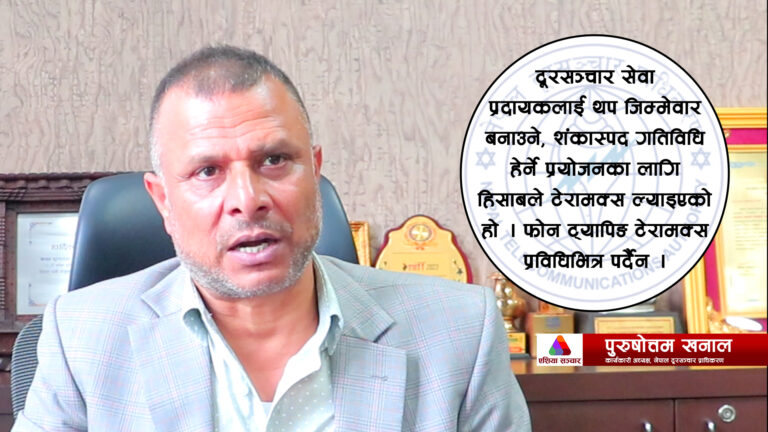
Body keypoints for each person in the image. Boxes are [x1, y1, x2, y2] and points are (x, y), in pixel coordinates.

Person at [14, 45, 531, 431]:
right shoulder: (83, 341)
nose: (248, 199)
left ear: (315, 171)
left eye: (274, 160)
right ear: (163, 201)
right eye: (208, 171)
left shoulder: (459, 333)